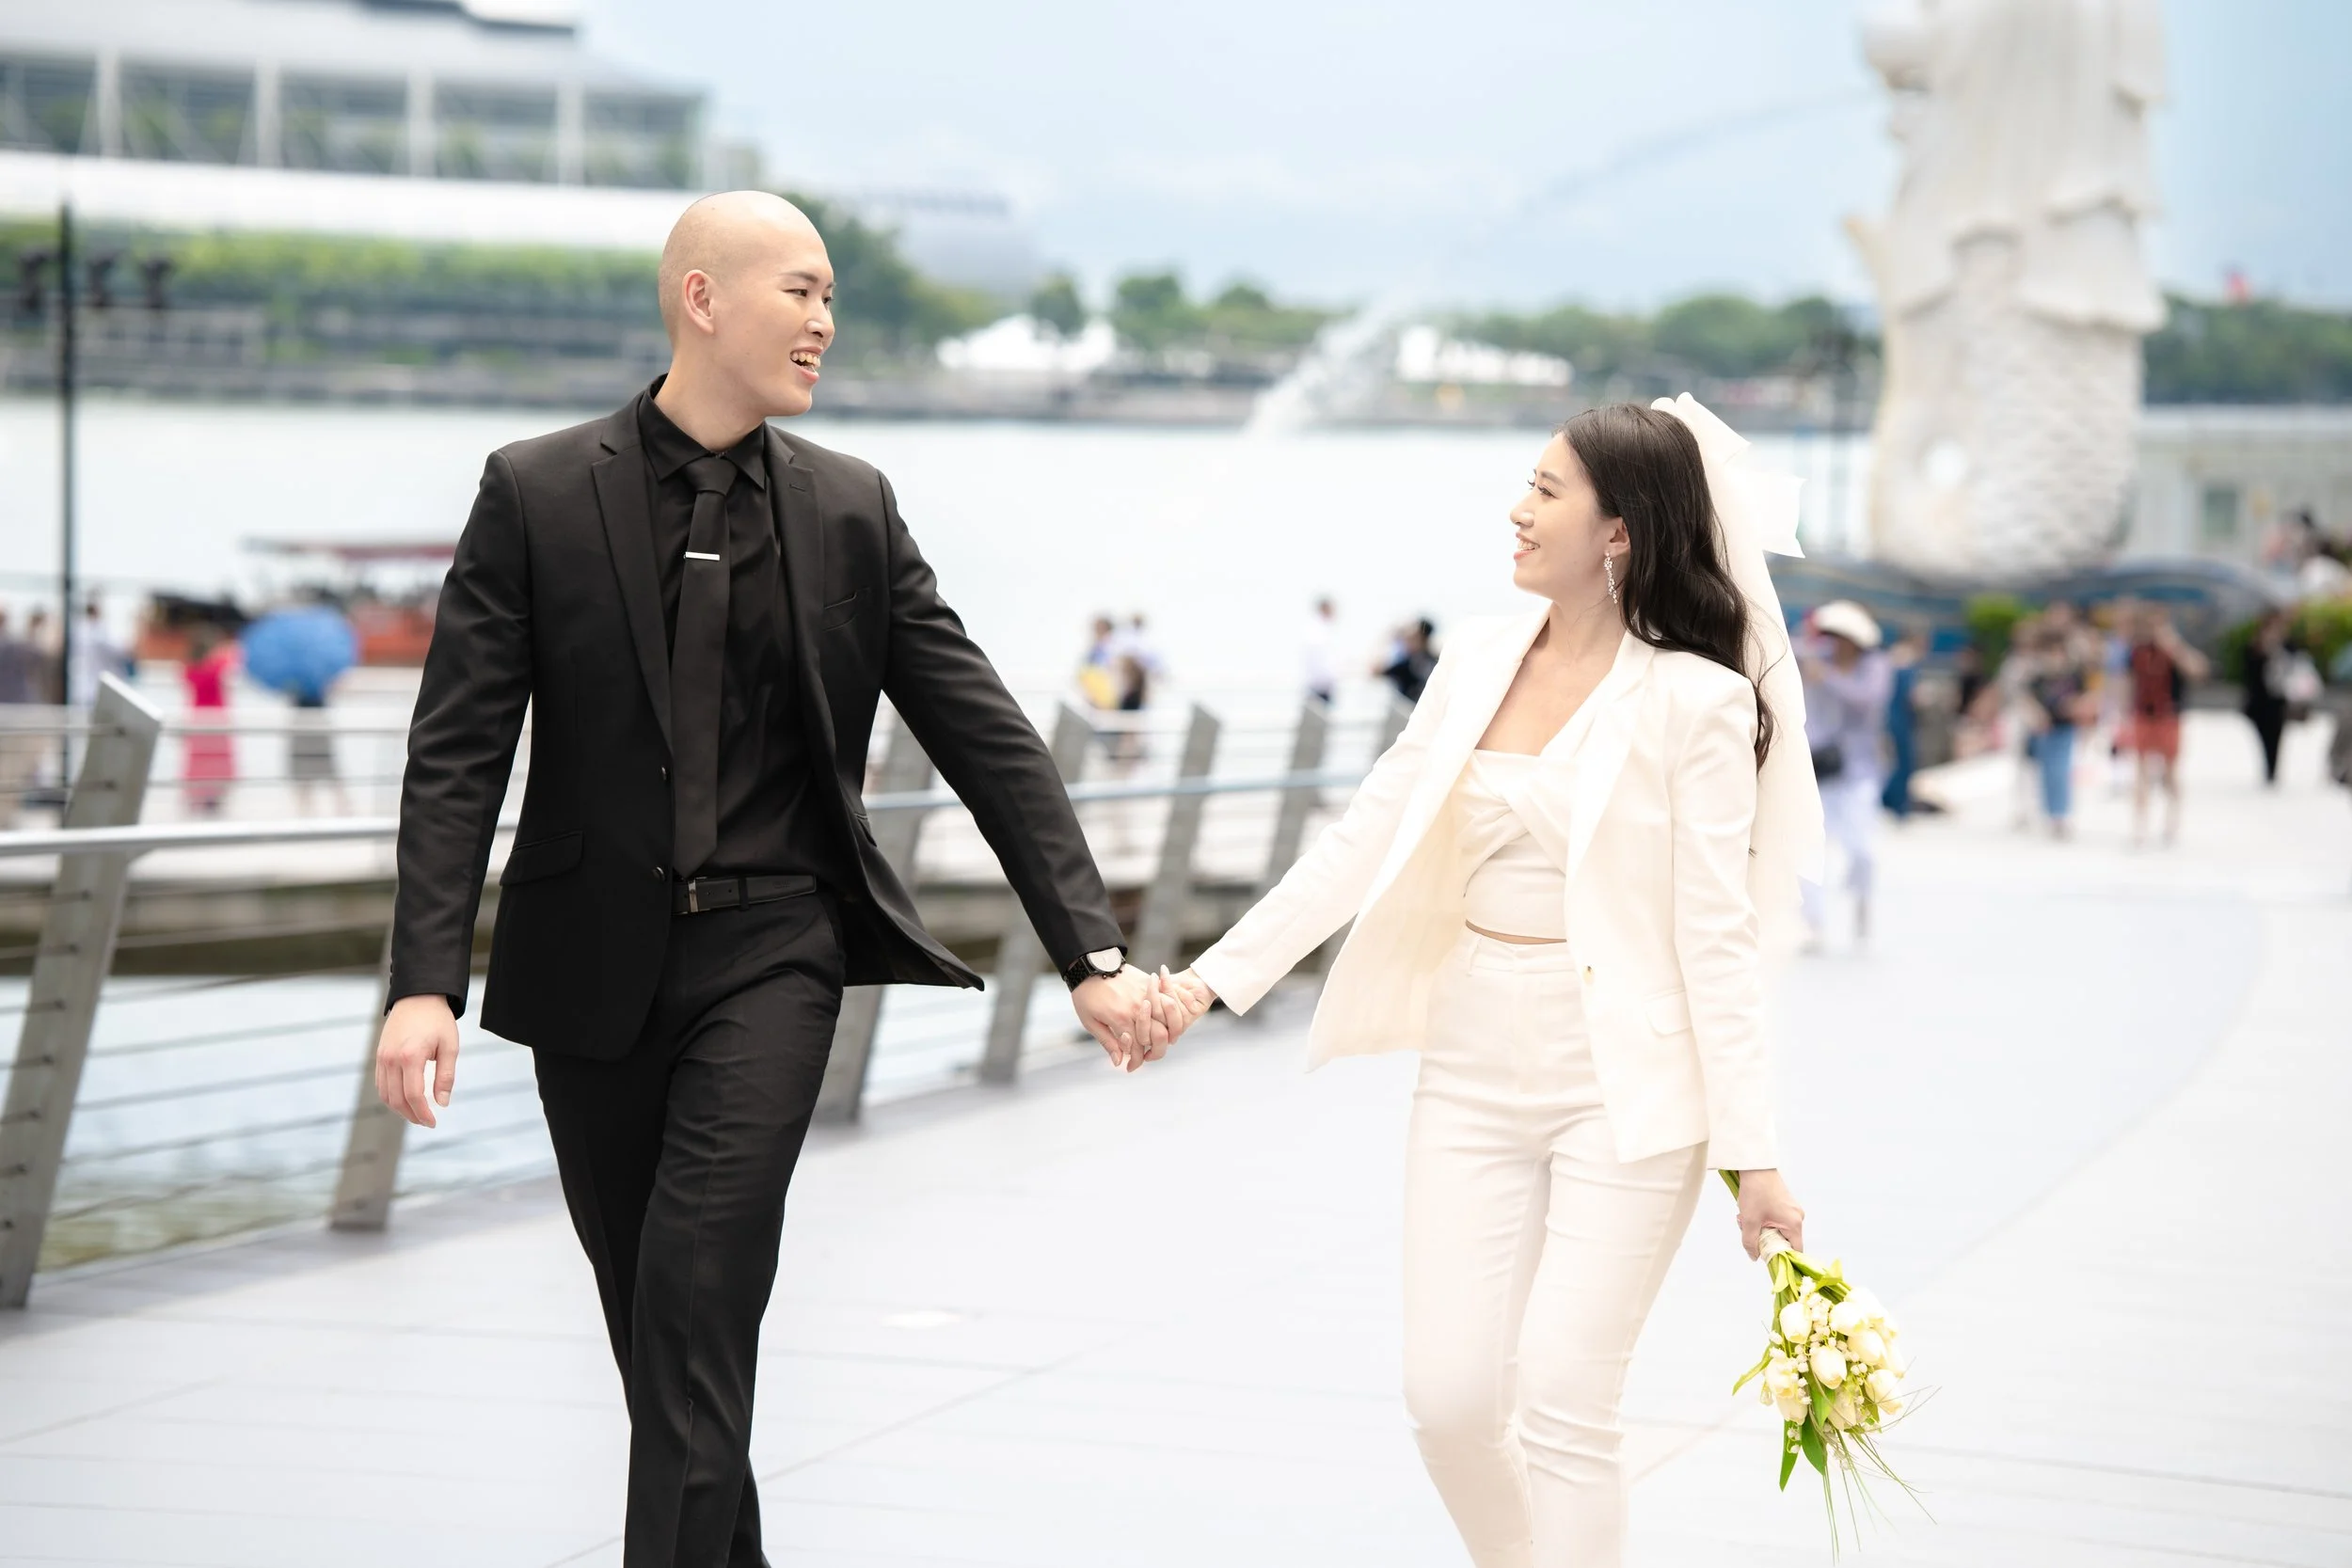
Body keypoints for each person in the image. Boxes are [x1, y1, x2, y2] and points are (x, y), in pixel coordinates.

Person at [371, 192, 1174, 1568]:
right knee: (664, 1341)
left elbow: (986, 732)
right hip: (589, 972)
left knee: (694, 1292)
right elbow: (458, 753)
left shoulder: (850, 507)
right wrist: (422, 983)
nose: (826, 321)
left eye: (829, 295)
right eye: (800, 291)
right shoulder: (538, 490)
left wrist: (1093, 954)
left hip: (774, 958)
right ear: (702, 298)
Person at [1150, 397, 1818, 1568]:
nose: (1517, 509)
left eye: (1547, 490)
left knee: (1566, 1402)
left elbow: (1717, 936)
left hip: (1627, 1082)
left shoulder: (1694, 700)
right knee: (1449, 1399)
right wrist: (1206, 983)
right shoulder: (1474, 656)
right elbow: (1361, 838)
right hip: (1470, 1058)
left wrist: (1751, 1155)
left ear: (1618, 532)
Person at [1799, 601, 1892, 944]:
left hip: (1859, 770)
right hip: (1818, 768)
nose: (1834, 642)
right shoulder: (1814, 659)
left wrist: (1829, 678)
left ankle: (1862, 898)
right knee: (1808, 849)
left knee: (1863, 850)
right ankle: (1812, 924)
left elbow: (1867, 699)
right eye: (1830, 635)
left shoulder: (1875, 666)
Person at [2118, 604, 2209, 846]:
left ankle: (2172, 820)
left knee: (2170, 772)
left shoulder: (2174, 649)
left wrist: (2173, 646)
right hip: (2143, 715)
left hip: (2168, 716)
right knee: (2140, 772)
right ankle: (2140, 824)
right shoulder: (2136, 651)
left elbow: (2198, 670)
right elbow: (2128, 684)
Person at [180, 625, 237, 817]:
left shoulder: (189, 668)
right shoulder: (216, 666)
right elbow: (231, 661)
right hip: (216, 719)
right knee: (216, 759)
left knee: (199, 759)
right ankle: (213, 797)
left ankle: (197, 795)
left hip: (196, 718)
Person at [0, 608, 43, 828]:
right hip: (17, 715)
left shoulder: (14, 645)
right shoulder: (15, 646)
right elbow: (39, 655)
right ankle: (6, 816)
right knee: (11, 770)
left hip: (11, 714)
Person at [2242, 609, 2296, 786]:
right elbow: (2250, 673)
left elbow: (2295, 666)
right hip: (2259, 702)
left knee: (2277, 736)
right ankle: (2268, 767)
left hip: (2278, 701)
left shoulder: (2287, 646)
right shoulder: (2254, 646)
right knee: (2263, 736)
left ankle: (2273, 770)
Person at [1879, 626, 1925, 817]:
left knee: (1893, 761)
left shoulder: (1888, 657)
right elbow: (1910, 695)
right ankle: (1896, 803)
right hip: (1900, 717)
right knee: (1903, 762)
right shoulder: (1906, 659)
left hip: (1888, 716)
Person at [1379, 616, 1439, 704]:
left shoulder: (1429, 662)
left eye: (1413, 637)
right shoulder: (1406, 662)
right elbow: (1378, 671)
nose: (1407, 640)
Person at [1302, 594, 1339, 706]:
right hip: (1320, 686)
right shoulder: (1317, 632)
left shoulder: (1322, 630)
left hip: (1321, 685)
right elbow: (1321, 662)